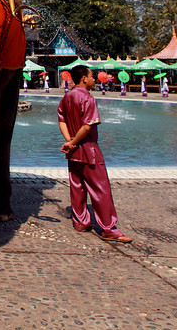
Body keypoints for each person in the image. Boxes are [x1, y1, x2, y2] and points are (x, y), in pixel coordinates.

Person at [57, 65, 132, 243]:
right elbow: (87, 126)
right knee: (101, 190)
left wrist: (69, 142)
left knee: (77, 187)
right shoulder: (88, 98)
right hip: (88, 149)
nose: (94, 79)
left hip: (74, 152)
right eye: (91, 76)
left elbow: (61, 120)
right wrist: (74, 142)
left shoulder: (67, 97)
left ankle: (81, 222)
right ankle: (108, 228)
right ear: (83, 78)